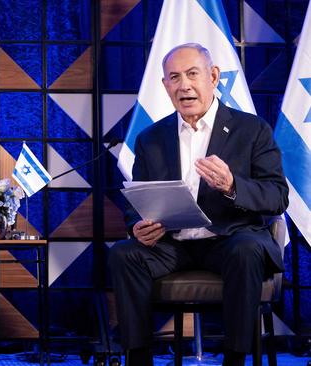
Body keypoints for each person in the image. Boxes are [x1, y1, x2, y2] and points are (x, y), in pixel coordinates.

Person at [108, 43, 288, 366]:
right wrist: (139, 225)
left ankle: (235, 358)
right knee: (123, 253)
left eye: (192, 74)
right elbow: (137, 202)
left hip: (231, 240)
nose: (184, 85)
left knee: (246, 249)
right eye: (174, 78)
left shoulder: (252, 130)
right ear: (165, 86)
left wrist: (233, 185)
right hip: (173, 245)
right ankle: (138, 358)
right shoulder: (150, 138)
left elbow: (277, 196)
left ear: (213, 76)